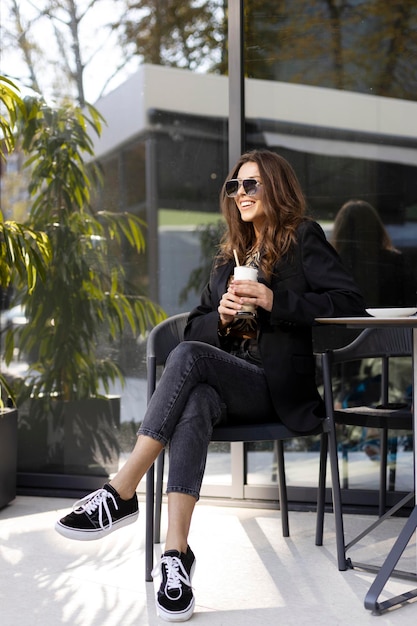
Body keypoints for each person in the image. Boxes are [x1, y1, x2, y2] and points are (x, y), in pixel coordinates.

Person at [55, 150, 366, 622]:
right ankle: (175, 557)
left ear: (276, 188)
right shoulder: (229, 258)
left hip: (276, 389)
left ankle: (121, 491)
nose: (240, 194)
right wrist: (219, 320)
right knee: (195, 397)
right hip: (228, 386)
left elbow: (349, 305)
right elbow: (194, 329)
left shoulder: (302, 237)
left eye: (252, 185)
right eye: (235, 186)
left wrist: (274, 299)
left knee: (190, 361)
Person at [331, 199, 406, 308]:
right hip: (390, 322)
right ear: (376, 228)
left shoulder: (332, 265)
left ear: (340, 230)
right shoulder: (395, 261)